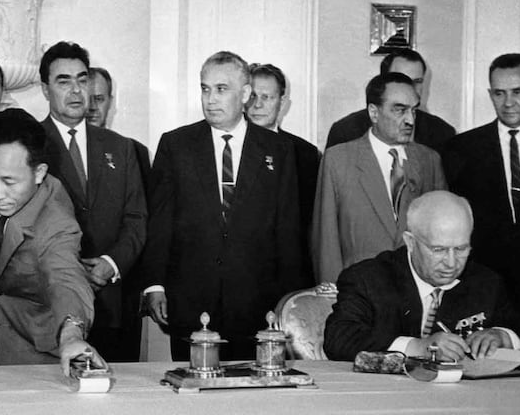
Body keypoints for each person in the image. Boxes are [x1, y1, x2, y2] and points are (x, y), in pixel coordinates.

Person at [141, 51, 307, 360]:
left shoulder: (278, 149)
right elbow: (160, 222)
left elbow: (288, 230)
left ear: (245, 94)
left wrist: (289, 301)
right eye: (205, 89)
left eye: (221, 89)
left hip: (258, 305)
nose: (210, 99)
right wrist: (154, 285)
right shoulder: (176, 145)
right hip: (191, 299)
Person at [0, 109, 103, 375]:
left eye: (9, 182)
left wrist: (72, 334)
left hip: (35, 354)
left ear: (39, 173)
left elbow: (66, 279)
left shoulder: (57, 222)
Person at [39, 43, 147, 362]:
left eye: (82, 79)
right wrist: (73, 270)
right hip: (53, 305)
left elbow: (137, 218)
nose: (76, 90)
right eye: (63, 81)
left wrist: (111, 263)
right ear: (45, 89)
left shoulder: (120, 147)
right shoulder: (30, 145)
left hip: (113, 302)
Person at [324, 191, 520, 362]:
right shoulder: (367, 279)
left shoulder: (486, 282)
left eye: (461, 249)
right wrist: (418, 348)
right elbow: (339, 338)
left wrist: (502, 336)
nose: (451, 263)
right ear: (410, 242)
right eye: (438, 250)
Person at [442, 53, 520, 349]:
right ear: (490, 94)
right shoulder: (461, 149)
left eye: (518, 92)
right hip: (485, 298)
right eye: (499, 93)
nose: (508, 102)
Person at [312, 72, 446, 284]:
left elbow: (441, 235)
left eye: (413, 110)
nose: (410, 120)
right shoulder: (338, 160)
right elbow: (326, 241)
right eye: (400, 110)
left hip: (415, 293)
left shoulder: (429, 160)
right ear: (374, 113)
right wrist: (331, 298)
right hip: (357, 294)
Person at [246, 63, 320, 257]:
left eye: (267, 97)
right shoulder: (226, 147)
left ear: (283, 102)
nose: (257, 105)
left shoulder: (306, 154)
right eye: (252, 96)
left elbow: (311, 223)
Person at [325, 49, 456, 151]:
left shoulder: (442, 133)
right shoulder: (346, 132)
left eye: (418, 81)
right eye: (401, 80)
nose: (411, 89)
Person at [85, 65, 150, 198]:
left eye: (99, 99)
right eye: (87, 99)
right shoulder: (59, 147)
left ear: (110, 102)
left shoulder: (136, 152)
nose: (92, 107)